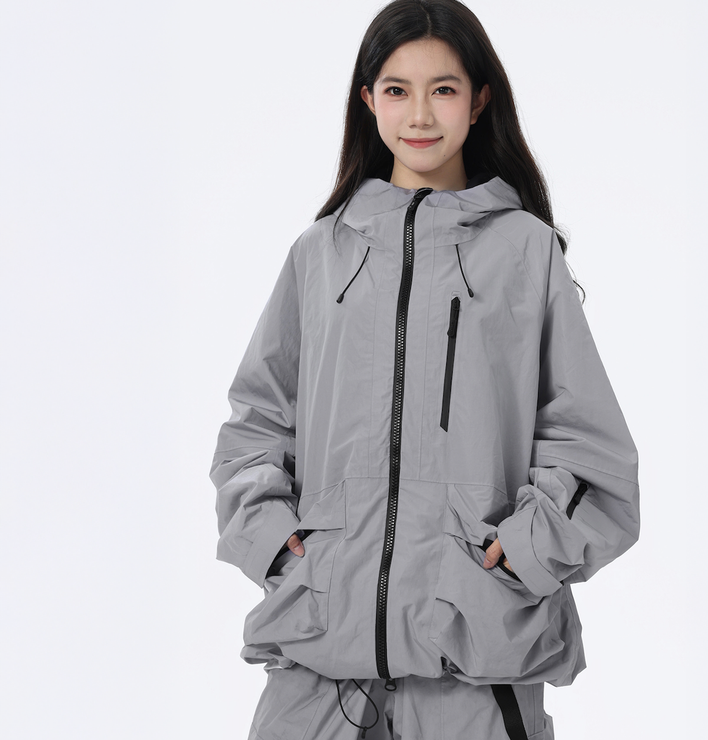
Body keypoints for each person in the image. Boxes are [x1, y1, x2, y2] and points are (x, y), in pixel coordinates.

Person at [208, 1, 640, 738]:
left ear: (478, 100)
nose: (419, 114)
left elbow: (593, 456)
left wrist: (517, 557)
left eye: (443, 89)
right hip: (320, 653)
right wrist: (278, 545)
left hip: (471, 658)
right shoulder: (319, 254)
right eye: (397, 89)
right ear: (367, 99)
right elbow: (255, 424)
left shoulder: (525, 252)